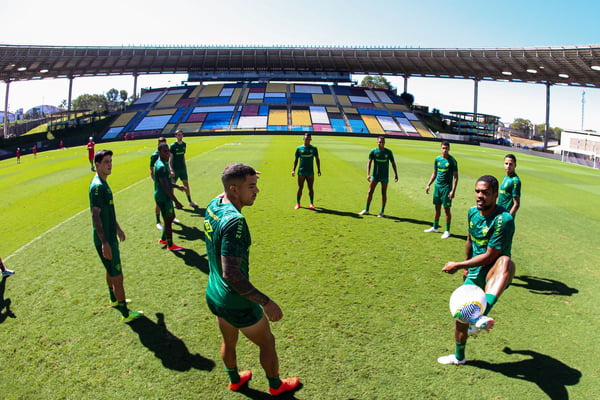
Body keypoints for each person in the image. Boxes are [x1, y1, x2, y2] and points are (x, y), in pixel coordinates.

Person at [204, 163, 300, 396]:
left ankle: (234, 380)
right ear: (235, 189)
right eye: (252, 186)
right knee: (267, 342)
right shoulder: (235, 222)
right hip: (235, 299)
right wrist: (266, 302)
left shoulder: (214, 204)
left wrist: (242, 175)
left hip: (214, 293)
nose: (256, 191)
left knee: (229, 339)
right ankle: (276, 386)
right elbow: (232, 274)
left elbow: (224, 188)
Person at [438, 175, 516, 365]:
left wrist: (458, 265)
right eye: (478, 191)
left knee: (506, 262)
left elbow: (490, 256)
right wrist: (466, 265)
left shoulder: (503, 219)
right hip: (475, 270)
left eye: (486, 193)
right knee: (461, 319)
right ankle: (459, 357)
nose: (480, 196)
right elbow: (470, 240)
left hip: (494, 272)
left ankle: (479, 316)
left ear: (495, 195)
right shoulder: (472, 212)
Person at [89, 149, 142, 323]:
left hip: (110, 235)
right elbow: (95, 215)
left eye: (111, 161)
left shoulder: (103, 183)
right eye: (106, 162)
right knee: (118, 276)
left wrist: (118, 228)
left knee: (110, 270)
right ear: (97, 164)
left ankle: (114, 299)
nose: (110, 164)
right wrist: (105, 242)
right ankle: (125, 314)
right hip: (105, 239)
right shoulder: (98, 187)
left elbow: (107, 212)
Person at [424, 141, 459, 239]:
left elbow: (456, 177)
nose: (445, 150)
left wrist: (453, 190)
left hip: (446, 189)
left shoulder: (452, 161)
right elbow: (434, 173)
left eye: (446, 148)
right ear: (440, 148)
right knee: (437, 208)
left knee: (446, 210)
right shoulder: (437, 159)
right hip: (437, 187)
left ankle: (447, 230)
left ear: (449, 149)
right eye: (443, 148)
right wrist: (428, 184)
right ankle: (435, 227)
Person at [155, 143, 185, 251]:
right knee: (168, 221)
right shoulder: (161, 167)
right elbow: (166, 187)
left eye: (168, 151)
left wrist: (177, 186)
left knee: (171, 217)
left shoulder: (163, 162)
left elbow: (167, 182)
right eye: (165, 151)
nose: (168, 153)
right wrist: (176, 201)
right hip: (163, 197)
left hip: (163, 195)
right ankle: (170, 245)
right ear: (159, 153)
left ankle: (164, 239)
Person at [358, 136, 398, 217]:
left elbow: (393, 163)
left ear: (384, 143)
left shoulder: (388, 152)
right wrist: (368, 174)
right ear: (377, 142)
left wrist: (396, 174)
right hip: (375, 176)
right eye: (380, 142)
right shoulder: (373, 151)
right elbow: (369, 163)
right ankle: (366, 209)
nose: (381, 143)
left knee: (383, 193)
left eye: (382, 142)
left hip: (384, 176)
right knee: (370, 191)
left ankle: (382, 212)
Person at [150, 137, 179, 230]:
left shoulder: (167, 154)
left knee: (169, 198)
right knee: (159, 202)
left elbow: (168, 164)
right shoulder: (155, 156)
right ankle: (158, 221)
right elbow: (151, 169)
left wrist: (170, 170)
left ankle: (171, 217)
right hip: (160, 183)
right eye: (161, 142)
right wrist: (155, 181)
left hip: (166, 179)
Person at [291, 133, 321, 210]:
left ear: (310, 140)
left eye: (308, 139)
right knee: (300, 188)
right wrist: (293, 170)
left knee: (310, 188)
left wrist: (319, 169)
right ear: (303, 139)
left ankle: (311, 203)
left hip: (310, 172)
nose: (307, 140)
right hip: (301, 172)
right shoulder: (299, 148)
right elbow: (296, 160)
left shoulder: (314, 148)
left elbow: (317, 159)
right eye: (305, 139)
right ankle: (298, 203)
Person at [169, 129, 198, 207]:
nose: (180, 136)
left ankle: (190, 201)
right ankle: (172, 202)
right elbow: (170, 158)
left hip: (182, 169)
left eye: (181, 134)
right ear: (175, 136)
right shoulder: (173, 146)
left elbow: (183, 156)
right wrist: (171, 169)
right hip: (175, 169)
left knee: (186, 185)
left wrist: (185, 166)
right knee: (172, 186)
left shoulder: (184, 144)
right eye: (178, 135)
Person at [498, 154, 521, 218]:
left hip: (505, 215)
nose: (508, 166)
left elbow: (516, 204)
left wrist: (508, 218)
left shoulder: (515, 181)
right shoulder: (506, 177)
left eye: (510, 164)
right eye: (506, 163)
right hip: (498, 213)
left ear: (515, 165)